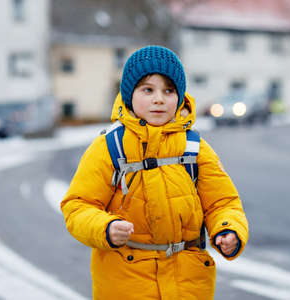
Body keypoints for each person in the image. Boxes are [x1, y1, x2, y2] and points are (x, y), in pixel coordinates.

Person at [61, 45, 249, 300]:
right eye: (148, 90)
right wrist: (106, 228)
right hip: (126, 280)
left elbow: (223, 202)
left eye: (168, 90)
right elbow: (77, 206)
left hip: (188, 282)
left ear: (179, 97)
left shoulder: (194, 148)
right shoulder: (110, 147)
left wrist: (228, 230)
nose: (159, 99)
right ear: (130, 94)